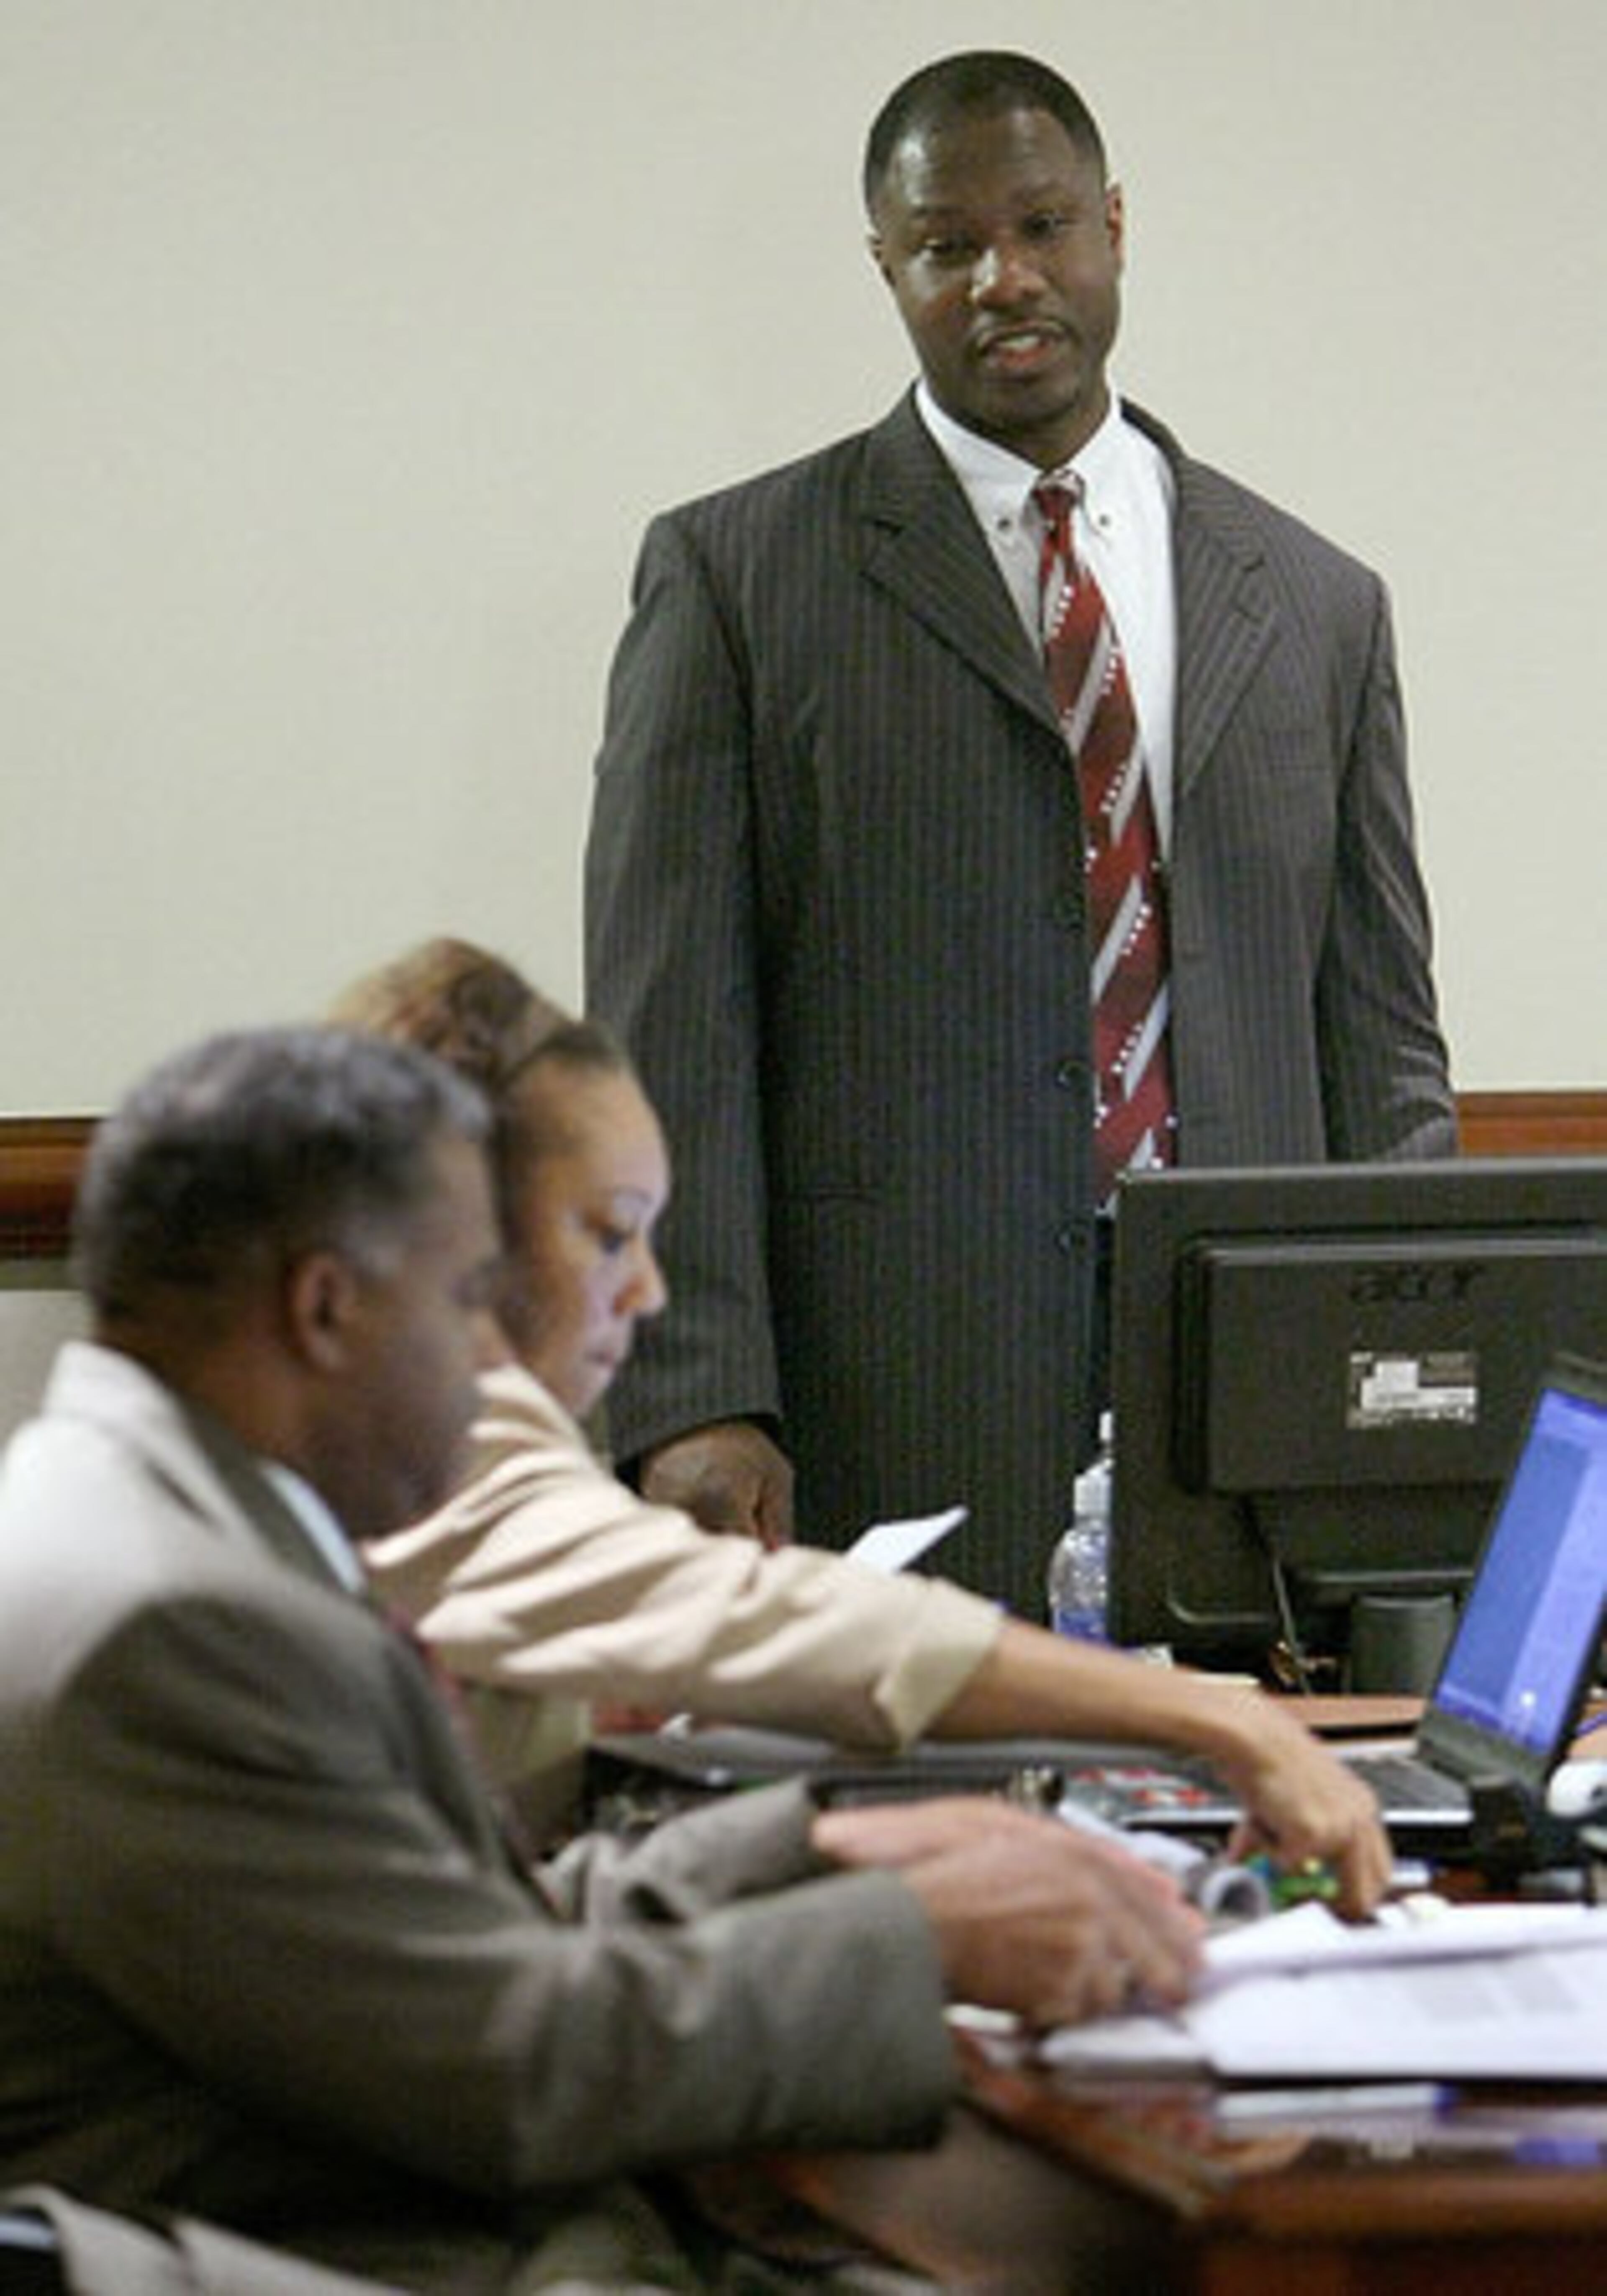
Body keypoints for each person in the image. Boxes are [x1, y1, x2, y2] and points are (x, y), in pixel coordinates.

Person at [0, 1024, 1206, 2294]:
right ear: (325, 1304)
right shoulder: (179, 1619)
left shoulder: (128, 1511)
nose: (493, 1359)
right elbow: (510, 2067)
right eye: (468, 1294)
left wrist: (821, 1849)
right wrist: (913, 1935)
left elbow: (434, 1951)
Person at [584, 49, 1456, 1616]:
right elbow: (666, 1027)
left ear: (1114, 226)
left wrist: (1429, 1368)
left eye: (1046, 225)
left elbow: (1383, 1042)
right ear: (888, 270)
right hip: (890, 1404)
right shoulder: (737, 578)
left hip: (1248, 1405)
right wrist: (695, 1388)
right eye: (947, 246)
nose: (1006, 278)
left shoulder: (1319, 603)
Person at [338, 936, 1389, 1910]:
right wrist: (1212, 1718)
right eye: (610, 1236)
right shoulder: (432, 1440)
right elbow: (746, 1614)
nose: (649, 1291)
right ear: (465, 1237)